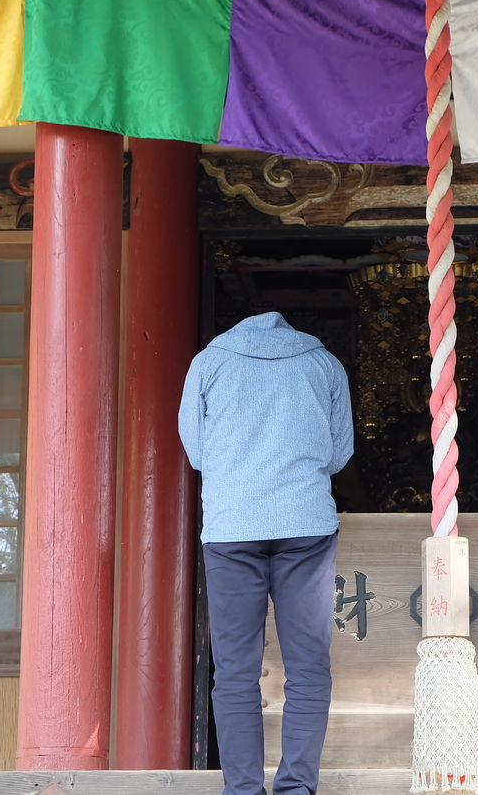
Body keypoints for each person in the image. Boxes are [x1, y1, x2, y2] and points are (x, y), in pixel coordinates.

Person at [178, 310, 354, 795]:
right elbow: (339, 453)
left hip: (232, 527)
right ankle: (296, 787)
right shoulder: (323, 363)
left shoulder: (209, 363)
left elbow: (197, 452)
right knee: (308, 668)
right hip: (306, 525)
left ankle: (243, 789)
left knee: (235, 671)